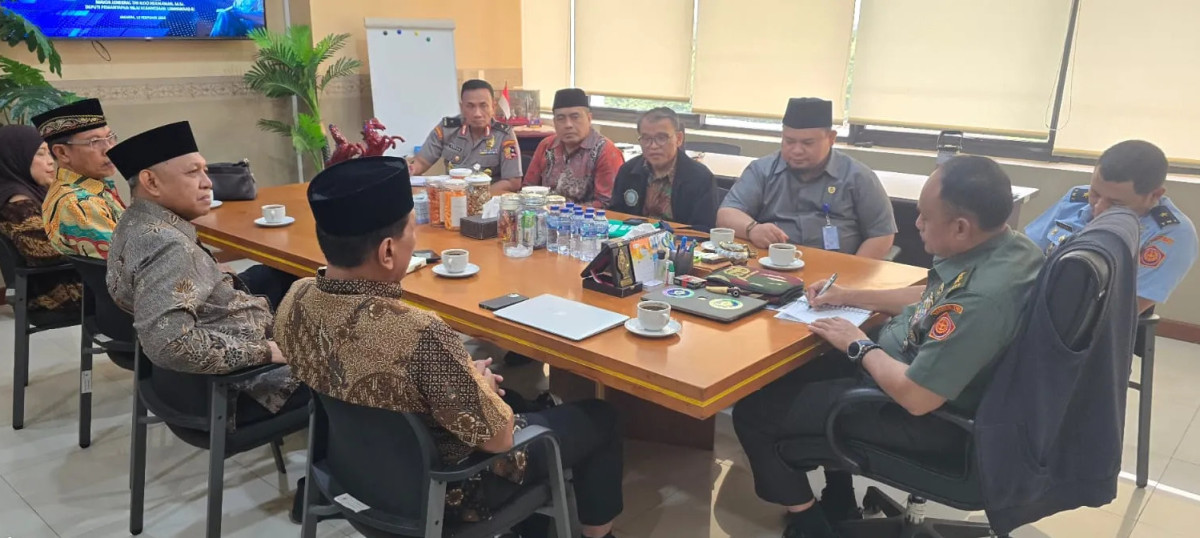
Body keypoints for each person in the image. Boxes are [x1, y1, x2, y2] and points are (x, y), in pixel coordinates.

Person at [274, 156, 624, 537]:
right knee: (600, 417)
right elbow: (500, 438)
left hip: (351, 475)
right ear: (387, 251)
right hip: (446, 491)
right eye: (412, 230)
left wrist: (462, 378)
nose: (416, 241)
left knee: (521, 400)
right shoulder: (418, 333)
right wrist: (481, 386)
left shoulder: (296, 299)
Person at [732, 156, 1043, 538]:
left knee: (754, 413)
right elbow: (932, 297)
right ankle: (840, 497)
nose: (917, 224)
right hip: (911, 370)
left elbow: (917, 397)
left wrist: (859, 346)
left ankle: (811, 527)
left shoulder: (981, 301)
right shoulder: (1011, 248)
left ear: (961, 227)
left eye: (925, 217)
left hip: (925, 417)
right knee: (794, 373)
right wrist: (848, 295)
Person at [105, 121, 304, 424]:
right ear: (151, 182)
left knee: (280, 275)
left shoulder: (135, 222)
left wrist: (208, 270)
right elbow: (168, 345)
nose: (207, 183)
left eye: (205, 171)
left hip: (190, 379)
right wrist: (266, 352)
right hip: (244, 389)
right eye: (192, 172)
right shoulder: (168, 247)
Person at [1025, 140, 1197, 314]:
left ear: (1155, 195)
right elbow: (1028, 255)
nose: (1099, 208)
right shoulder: (1076, 198)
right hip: (1034, 299)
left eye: (1116, 204)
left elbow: (1122, 312)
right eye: (1095, 194)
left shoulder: (1172, 233)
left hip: (1084, 319)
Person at [717, 98, 897, 258]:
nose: (796, 150)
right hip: (773, 265)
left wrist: (854, 272)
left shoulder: (858, 177)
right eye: (789, 141)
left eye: (807, 143)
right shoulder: (762, 170)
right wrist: (753, 229)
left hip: (835, 270)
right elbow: (726, 214)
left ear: (831, 138)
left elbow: (882, 234)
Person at [0, 125, 82, 315]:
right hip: (54, 294)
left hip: (66, 280)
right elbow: (43, 252)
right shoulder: (17, 203)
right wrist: (92, 242)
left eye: (49, 154)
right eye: (40, 154)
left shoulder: (28, 192)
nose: (50, 162)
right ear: (16, 158)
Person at [33, 98, 127, 259]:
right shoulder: (77, 203)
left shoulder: (92, 185)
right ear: (62, 153)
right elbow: (128, 261)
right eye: (94, 142)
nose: (109, 149)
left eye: (110, 137)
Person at [607, 107, 718, 230]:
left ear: (679, 139)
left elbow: (703, 230)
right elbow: (615, 217)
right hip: (632, 239)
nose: (653, 146)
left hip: (679, 240)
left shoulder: (700, 178)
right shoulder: (628, 172)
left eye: (661, 138)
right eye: (646, 139)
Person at [412, 79, 523, 193]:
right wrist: (409, 169)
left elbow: (513, 182)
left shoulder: (504, 135)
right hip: (452, 196)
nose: (477, 114)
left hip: (488, 198)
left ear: (493, 107)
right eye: (470, 106)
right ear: (461, 107)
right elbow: (421, 162)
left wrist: (474, 197)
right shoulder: (447, 129)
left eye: (483, 106)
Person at [521, 88, 625, 207]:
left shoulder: (606, 151)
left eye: (575, 117)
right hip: (544, 214)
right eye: (561, 118)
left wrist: (563, 211)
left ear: (589, 118)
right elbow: (528, 189)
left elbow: (607, 203)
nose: (568, 125)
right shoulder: (546, 146)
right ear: (554, 122)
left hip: (587, 217)